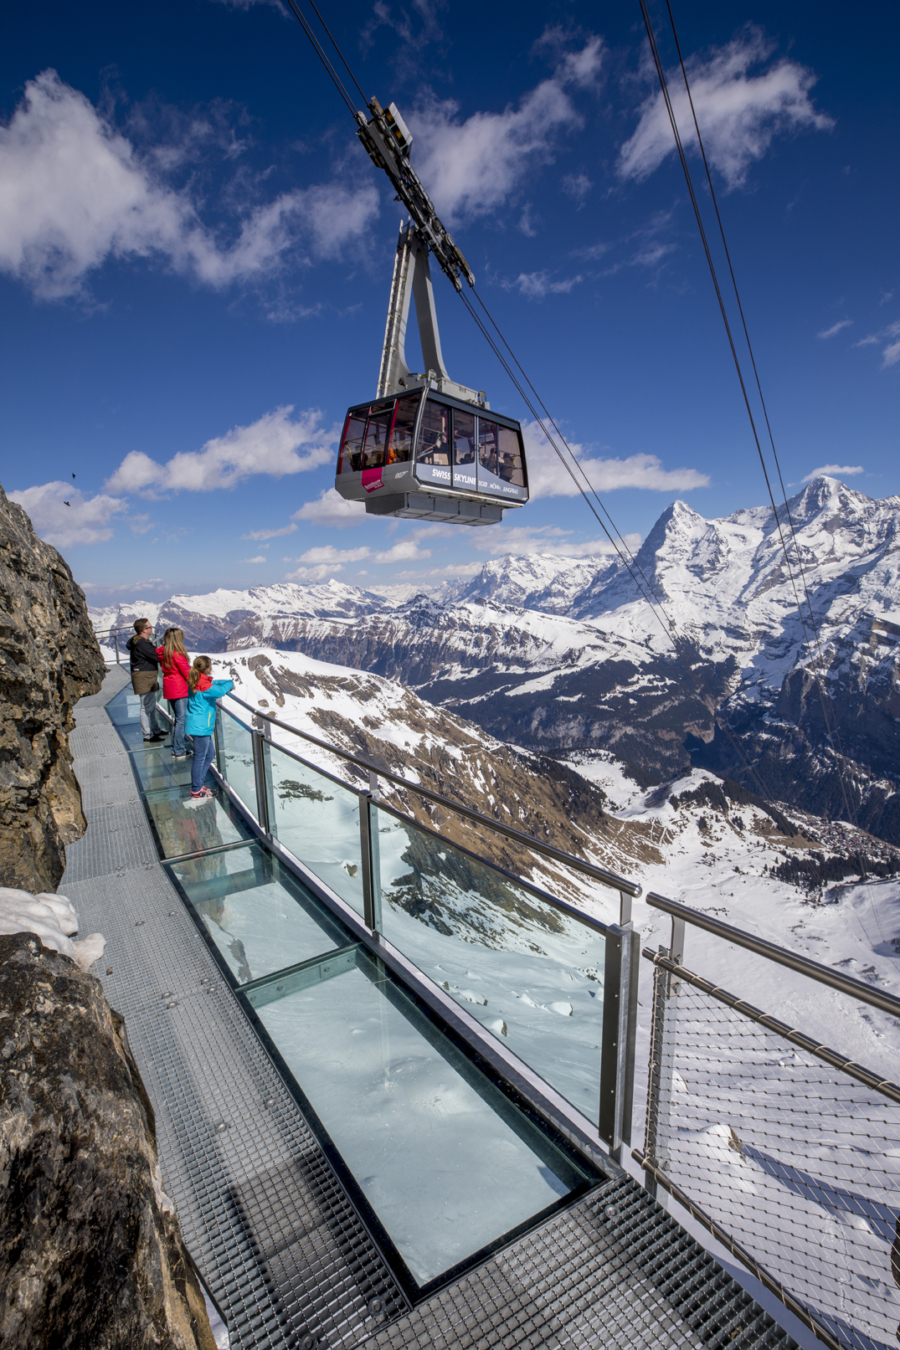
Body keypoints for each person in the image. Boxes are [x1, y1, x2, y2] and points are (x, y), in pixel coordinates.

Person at [184, 656, 233, 802]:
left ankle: (199, 785)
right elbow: (218, 692)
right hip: (201, 726)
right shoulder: (203, 685)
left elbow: (212, 683)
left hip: (198, 725)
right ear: (206, 668)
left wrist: (221, 682)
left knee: (209, 753)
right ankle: (196, 790)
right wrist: (230, 682)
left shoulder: (197, 679)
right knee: (200, 757)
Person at [125, 618, 166, 743]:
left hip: (144, 675)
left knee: (150, 705)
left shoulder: (138, 641)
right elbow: (157, 656)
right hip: (145, 676)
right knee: (145, 706)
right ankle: (147, 735)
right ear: (144, 630)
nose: (152, 629)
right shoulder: (143, 644)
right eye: (149, 627)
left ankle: (155, 730)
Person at [156, 627, 193, 760]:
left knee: (178, 719)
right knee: (181, 720)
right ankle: (178, 750)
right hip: (180, 689)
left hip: (169, 688)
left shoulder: (162, 652)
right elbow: (187, 673)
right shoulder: (177, 654)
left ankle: (177, 748)